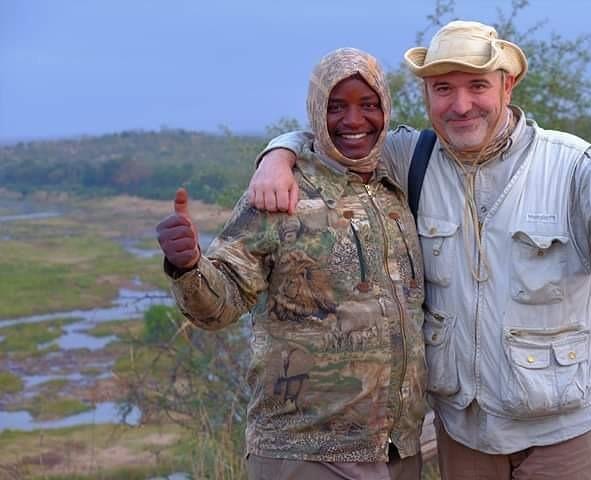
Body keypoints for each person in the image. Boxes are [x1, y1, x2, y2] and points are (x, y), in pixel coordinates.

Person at [247, 21, 591, 480]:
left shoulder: (570, 164)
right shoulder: (408, 158)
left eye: (477, 85)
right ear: (425, 95)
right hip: (465, 434)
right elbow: (336, 137)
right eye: (443, 89)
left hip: (561, 434)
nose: (461, 105)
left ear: (507, 85)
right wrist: (278, 155)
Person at [156, 48, 427, 480]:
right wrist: (188, 265)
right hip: (305, 453)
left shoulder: (396, 187)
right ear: (317, 111)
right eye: (336, 107)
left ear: (385, 109)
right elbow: (220, 304)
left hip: (398, 450)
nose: (354, 121)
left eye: (368, 105)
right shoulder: (281, 193)